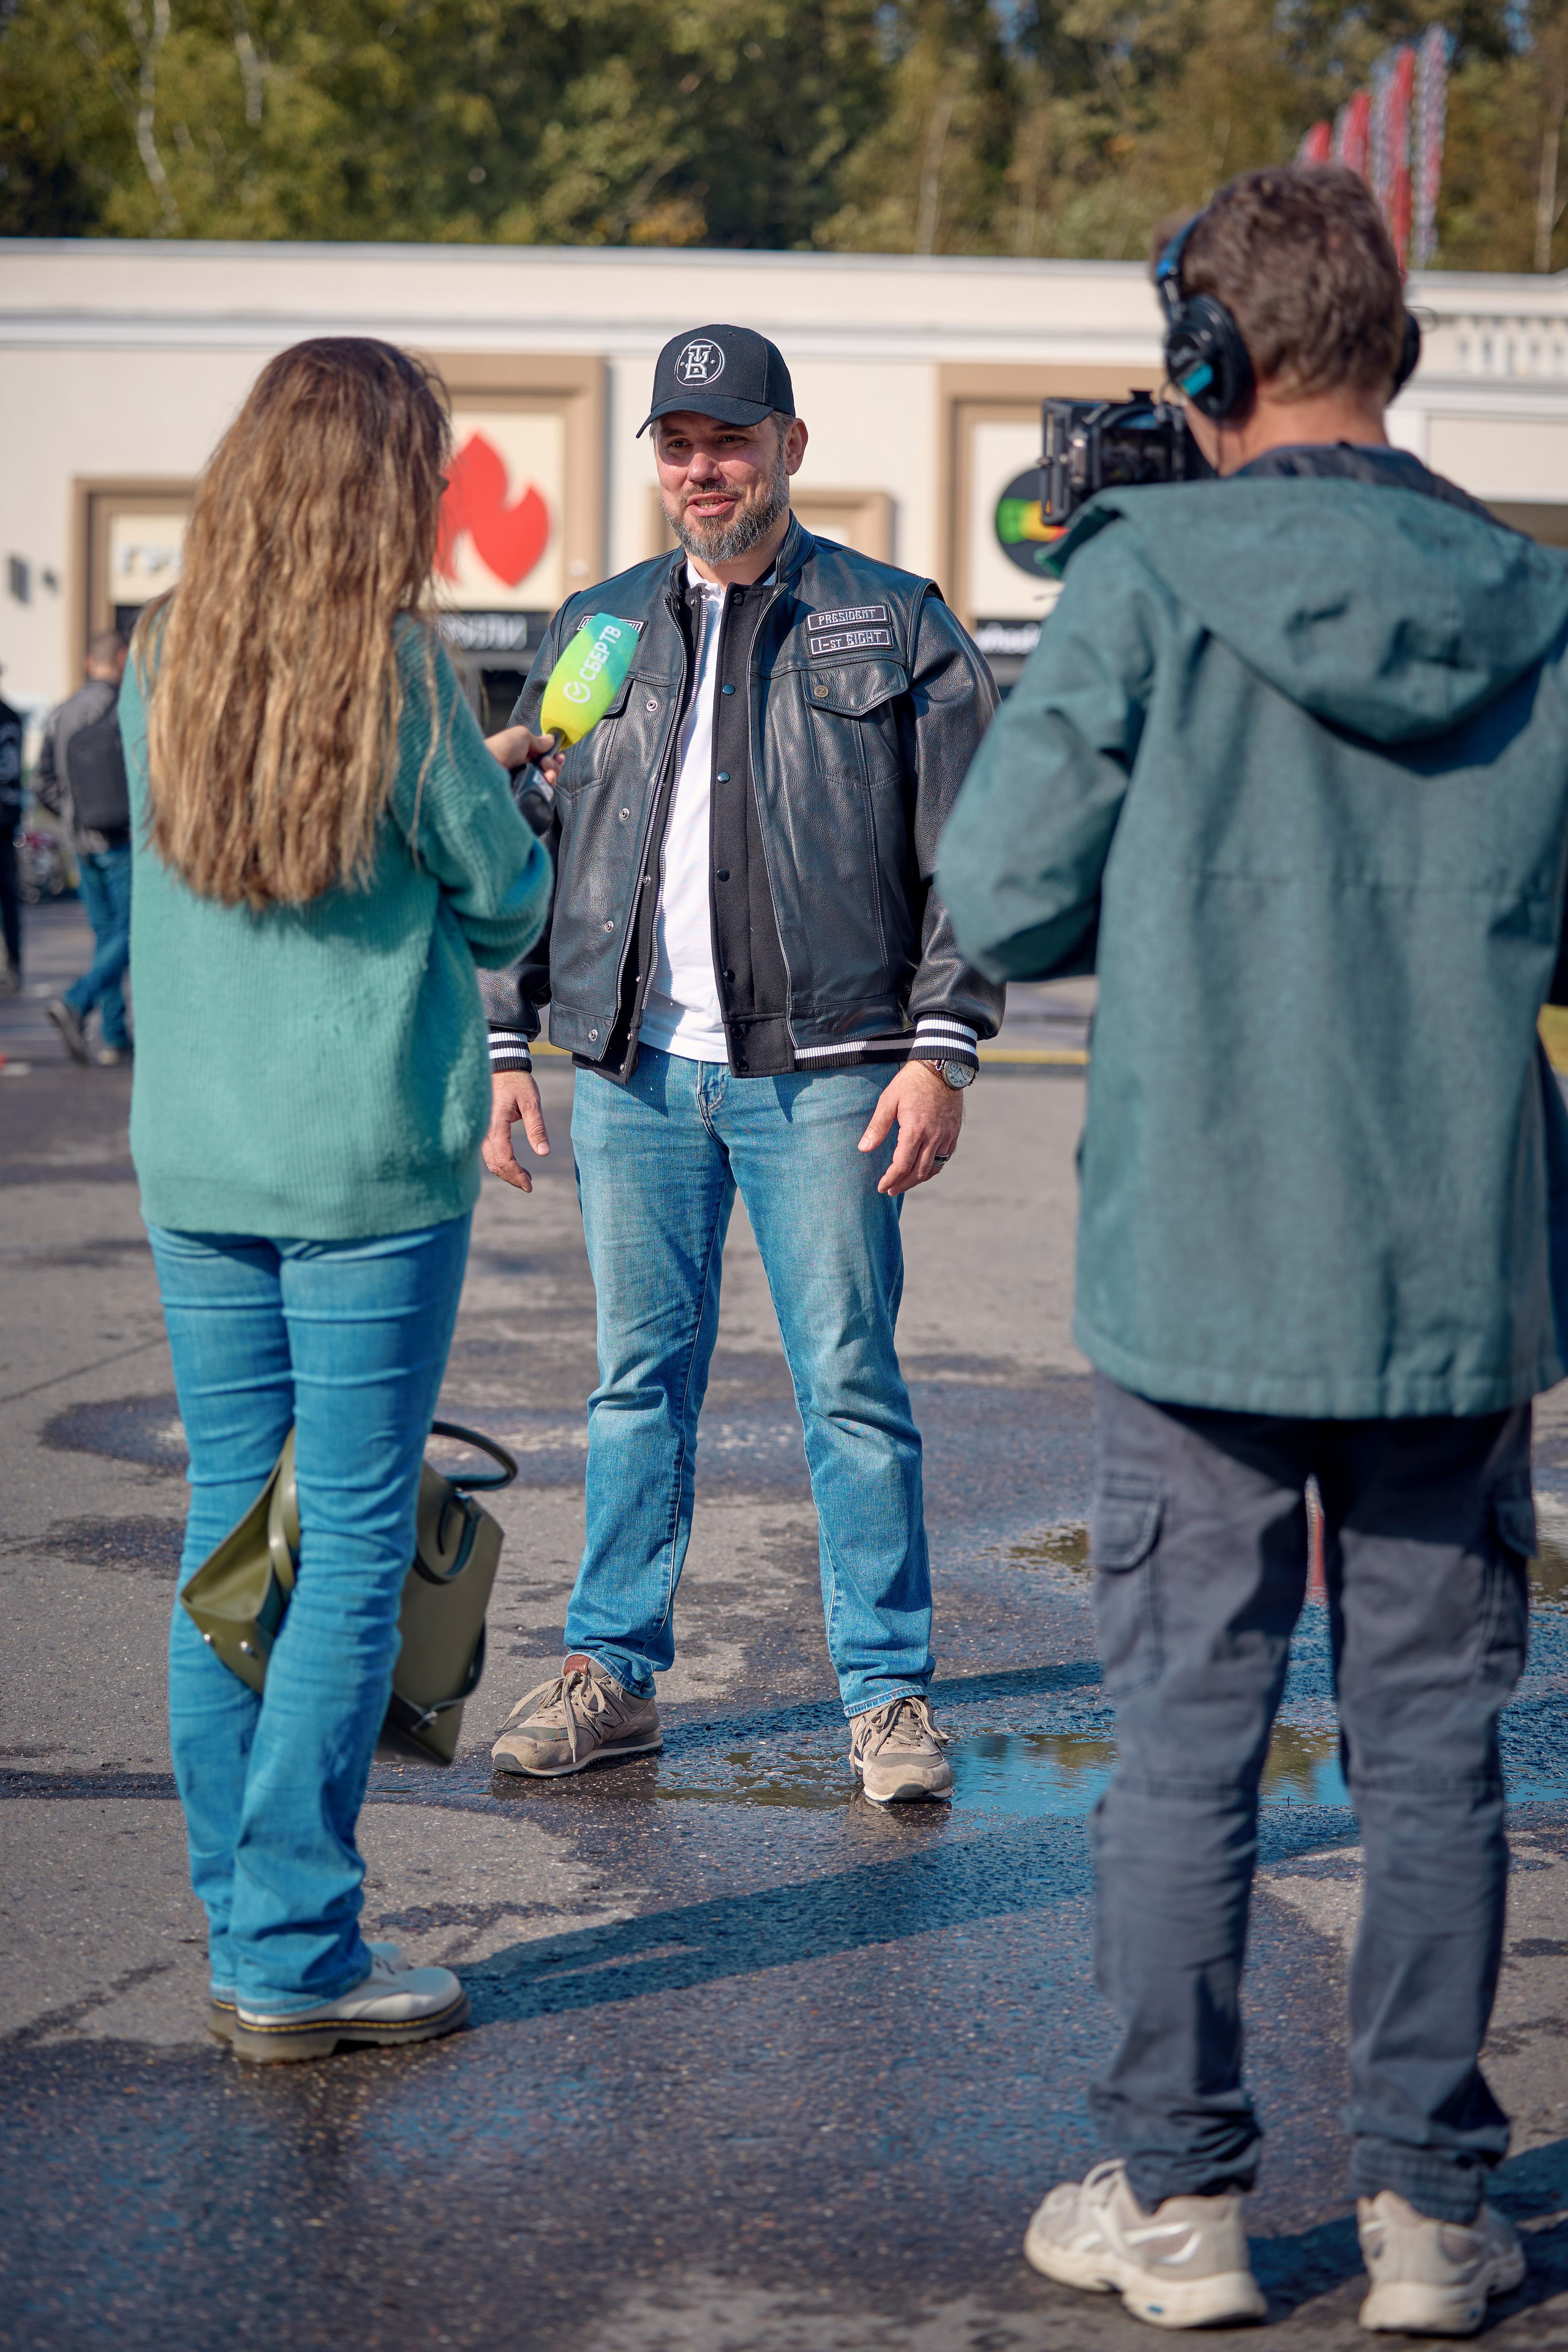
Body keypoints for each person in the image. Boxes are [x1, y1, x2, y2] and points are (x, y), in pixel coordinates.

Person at [939, 164, 1567, 2335]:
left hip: (1202, 1267)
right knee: (1433, 1751)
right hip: (1451, 1273)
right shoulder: (1530, 597)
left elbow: (1004, 900)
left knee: (1189, 1737)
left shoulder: (1138, 577)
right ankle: (1428, 2221)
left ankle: (1184, 2209)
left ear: (1205, 363)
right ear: (1390, 351)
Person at [483, 324, 1003, 1803]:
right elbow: (530, 843)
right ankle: (611, 1669)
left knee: (847, 1383)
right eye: (676, 442)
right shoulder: (595, 629)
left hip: (829, 1072)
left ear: (788, 445)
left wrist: (941, 1046)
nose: (701, 468)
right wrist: (513, 1034)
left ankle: (888, 1696)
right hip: (636, 1074)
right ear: (654, 458)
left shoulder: (891, 620)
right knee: (632, 1383)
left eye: (728, 439)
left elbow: (977, 851)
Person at [124, 336, 552, 2063]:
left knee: (234, 1539)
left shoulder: (168, 656)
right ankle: (300, 1954)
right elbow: (505, 902)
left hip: (198, 1161)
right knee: (356, 1543)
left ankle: (248, 1929)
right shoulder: (403, 671)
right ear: (387, 482)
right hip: (366, 1164)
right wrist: (508, 790)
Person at [35, 628, 135, 1063]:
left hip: (79, 839)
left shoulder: (60, 713)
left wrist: (73, 815)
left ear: (85, 662)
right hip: (121, 837)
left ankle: (113, 1033)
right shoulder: (125, 708)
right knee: (129, 933)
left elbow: (42, 783)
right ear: (121, 658)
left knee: (106, 934)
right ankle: (79, 1001)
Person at [0, 664, 22, 992]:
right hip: (7, 814)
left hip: (6, 816)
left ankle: (14, 965)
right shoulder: (12, 716)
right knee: (8, 895)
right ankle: (14, 965)